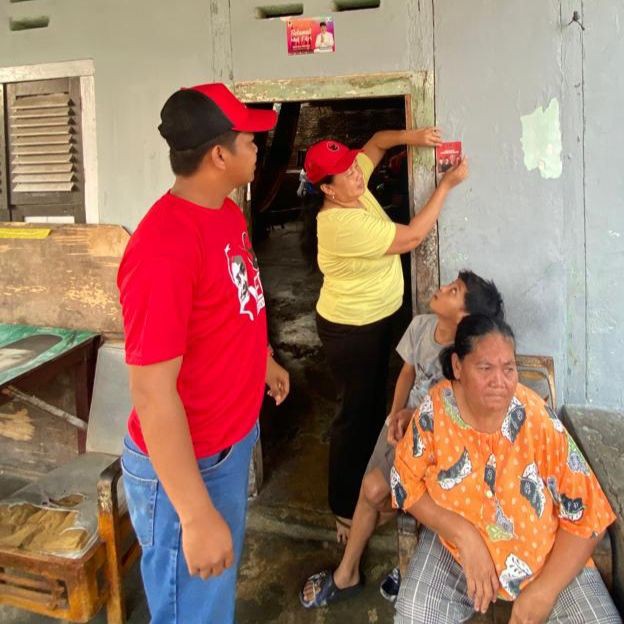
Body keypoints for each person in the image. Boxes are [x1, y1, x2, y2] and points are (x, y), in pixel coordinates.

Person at [117, 83, 290, 624]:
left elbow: (235, 301)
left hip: (228, 444)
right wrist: (194, 514)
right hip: (187, 469)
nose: (259, 149)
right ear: (220, 155)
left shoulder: (225, 214)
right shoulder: (163, 248)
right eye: (250, 140)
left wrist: (261, 359)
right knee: (190, 609)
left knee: (212, 595)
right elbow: (150, 389)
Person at [392, 315, 621, 624]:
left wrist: (543, 592)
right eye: (485, 368)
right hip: (455, 551)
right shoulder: (435, 412)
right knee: (415, 615)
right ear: (458, 367)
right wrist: (464, 535)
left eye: (508, 368)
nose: (500, 381)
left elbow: (589, 516)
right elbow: (405, 482)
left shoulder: (535, 419)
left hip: (542, 555)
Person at [300, 270, 504, 608]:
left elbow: (457, 407)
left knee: (392, 494)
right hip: (400, 426)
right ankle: (347, 572)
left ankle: (391, 558)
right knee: (373, 489)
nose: (441, 288)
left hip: (434, 438)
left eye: (453, 291)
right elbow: (407, 373)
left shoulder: (466, 356)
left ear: (464, 316)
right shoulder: (422, 326)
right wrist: (395, 414)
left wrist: (416, 420)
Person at [302, 129, 468, 542]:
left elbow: (373, 142)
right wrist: (445, 185)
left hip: (374, 320)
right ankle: (344, 507)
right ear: (328, 189)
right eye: (345, 175)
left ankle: (366, 490)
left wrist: (414, 135)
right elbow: (412, 237)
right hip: (350, 330)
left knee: (373, 404)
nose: (357, 175)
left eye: (351, 166)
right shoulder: (339, 223)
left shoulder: (349, 182)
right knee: (354, 415)